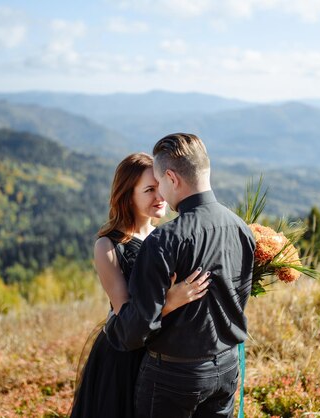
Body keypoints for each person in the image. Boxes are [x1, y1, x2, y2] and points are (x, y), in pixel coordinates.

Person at [105, 133, 256, 418]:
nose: (160, 192)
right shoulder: (240, 228)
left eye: (160, 183)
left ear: (172, 178)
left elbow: (136, 329)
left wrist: (113, 326)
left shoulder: (164, 241)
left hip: (173, 376)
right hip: (226, 368)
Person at [70, 152, 211, 418]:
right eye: (149, 190)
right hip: (124, 356)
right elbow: (124, 315)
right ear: (128, 195)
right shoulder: (109, 246)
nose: (160, 196)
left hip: (164, 350)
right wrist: (170, 301)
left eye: (160, 187)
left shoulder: (166, 236)